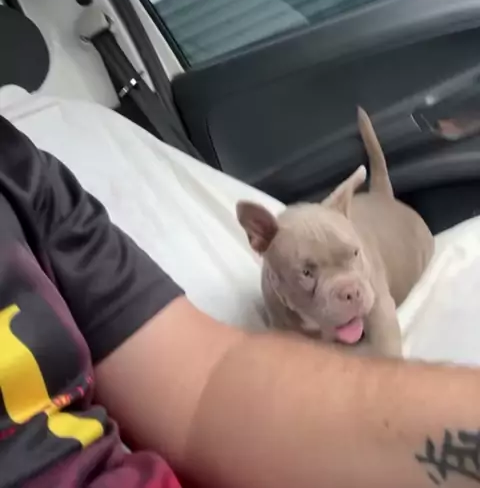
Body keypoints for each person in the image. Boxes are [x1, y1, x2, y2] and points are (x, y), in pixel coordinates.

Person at [0, 113, 479, 488]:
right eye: (309, 272)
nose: (350, 287)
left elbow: (203, 390)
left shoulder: (23, 176)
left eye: (350, 258)